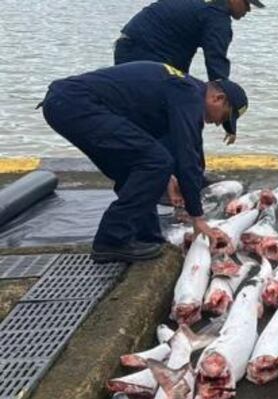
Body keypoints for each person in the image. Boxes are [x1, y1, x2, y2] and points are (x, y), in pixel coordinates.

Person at [41, 62, 249, 262]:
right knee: (157, 162)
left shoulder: (182, 91)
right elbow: (188, 155)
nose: (218, 123)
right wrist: (198, 218)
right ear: (218, 98)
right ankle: (112, 240)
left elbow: (162, 148)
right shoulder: (189, 96)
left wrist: (169, 178)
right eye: (224, 117)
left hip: (64, 103)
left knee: (136, 167)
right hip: (76, 104)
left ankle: (146, 236)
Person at [114, 0, 263, 144]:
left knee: (164, 108)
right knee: (163, 112)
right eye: (247, 3)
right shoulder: (217, 15)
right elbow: (216, 62)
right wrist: (225, 117)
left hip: (132, 44)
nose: (248, 10)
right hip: (144, 50)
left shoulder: (206, 6)